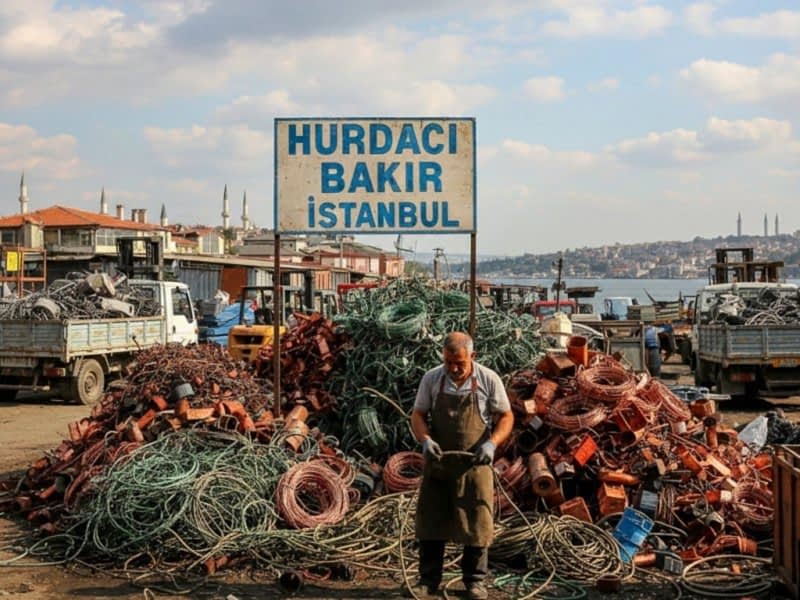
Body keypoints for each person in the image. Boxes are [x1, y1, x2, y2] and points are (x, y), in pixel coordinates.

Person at [408, 332, 514, 600]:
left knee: (477, 522)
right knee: (431, 520)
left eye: (460, 364)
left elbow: (506, 416)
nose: (453, 369)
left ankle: (475, 582)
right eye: (448, 363)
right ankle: (428, 581)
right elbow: (418, 414)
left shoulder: (488, 380)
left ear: (473, 357)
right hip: (440, 464)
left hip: (475, 464)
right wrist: (425, 440)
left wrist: (492, 444)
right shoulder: (432, 379)